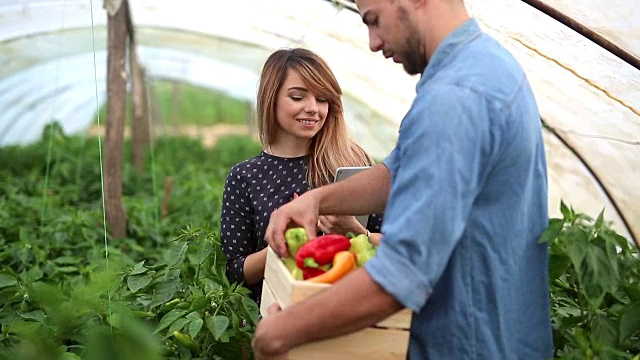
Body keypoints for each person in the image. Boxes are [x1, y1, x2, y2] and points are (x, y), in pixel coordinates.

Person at [252, 0, 554, 359]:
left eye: (374, 20)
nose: (373, 42)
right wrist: (315, 200)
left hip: (468, 344)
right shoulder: (486, 66)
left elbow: (400, 274)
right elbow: (396, 174)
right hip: (505, 335)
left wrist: (280, 331)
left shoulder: (455, 97)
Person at [220, 47, 383, 305]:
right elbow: (236, 271)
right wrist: (284, 241)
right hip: (279, 315)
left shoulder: (354, 163)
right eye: (298, 97)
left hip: (348, 312)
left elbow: (396, 248)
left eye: (322, 99)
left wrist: (354, 231)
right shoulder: (245, 176)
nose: (312, 109)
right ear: (271, 98)